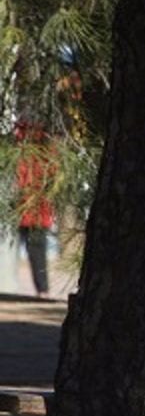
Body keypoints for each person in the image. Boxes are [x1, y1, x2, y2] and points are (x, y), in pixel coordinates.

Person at [14, 121, 55, 298]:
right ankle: (42, 290)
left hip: (34, 210)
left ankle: (43, 289)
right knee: (37, 250)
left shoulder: (27, 149)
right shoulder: (47, 150)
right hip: (34, 209)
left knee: (36, 249)